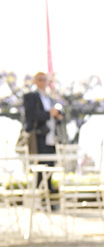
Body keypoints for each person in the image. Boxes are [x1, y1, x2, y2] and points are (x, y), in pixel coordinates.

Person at [22, 72, 64, 200]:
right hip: (39, 137)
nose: (43, 82)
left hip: (50, 137)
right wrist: (48, 113)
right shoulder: (31, 96)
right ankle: (40, 199)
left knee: (50, 167)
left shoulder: (49, 98)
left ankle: (49, 198)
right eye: (40, 79)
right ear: (35, 81)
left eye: (45, 79)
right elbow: (31, 115)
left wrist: (57, 116)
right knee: (40, 168)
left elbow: (54, 116)